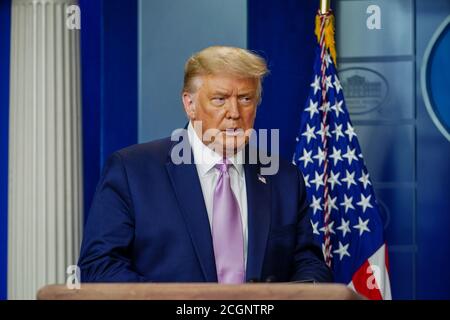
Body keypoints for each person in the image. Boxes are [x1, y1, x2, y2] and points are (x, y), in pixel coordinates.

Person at [78, 46, 332, 283]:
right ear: (190, 104)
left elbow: (308, 265)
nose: (234, 112)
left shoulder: (283, 177)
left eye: (245, 99)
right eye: (220, 99)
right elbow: (100, 266)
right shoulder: (132, 171)